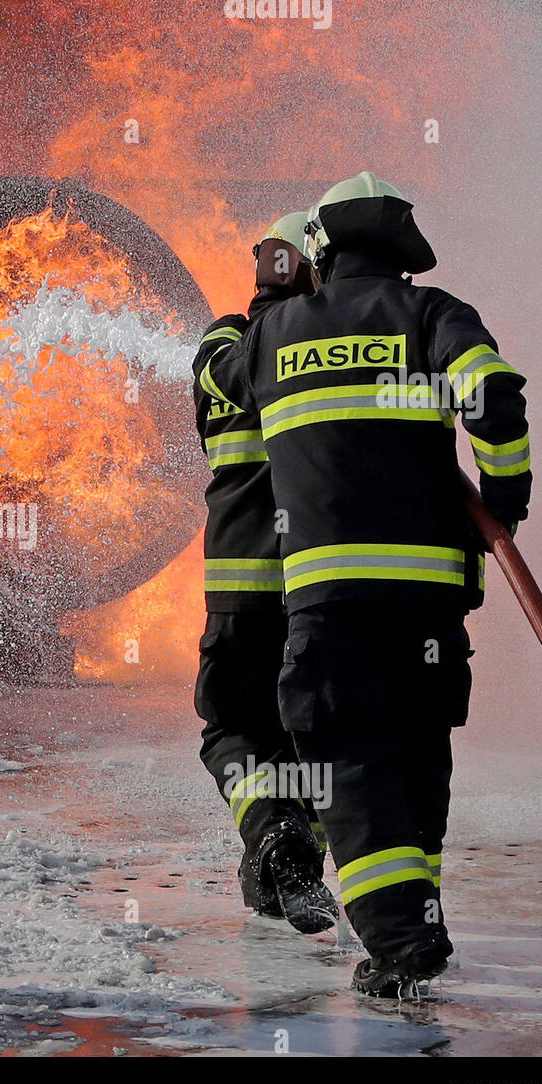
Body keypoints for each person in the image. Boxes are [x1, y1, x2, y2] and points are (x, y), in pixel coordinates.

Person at [197, 172, 531, 997]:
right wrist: (503, 500)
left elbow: (223, 381)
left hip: (330, 602)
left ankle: (400, 940)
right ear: (403, 254)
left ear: (323, 250)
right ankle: (417, 916)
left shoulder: (276, 339)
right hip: (431, 605)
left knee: (347, 765)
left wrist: (259, 304)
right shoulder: (432, 314)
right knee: (419, 757)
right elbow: (492, 395)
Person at [192, 212, 337, 935]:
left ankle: (274, 850)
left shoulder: (219, 346)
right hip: (315, 584)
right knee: (306, 729)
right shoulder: (314, 348)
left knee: (232, 729)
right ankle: (291, 848)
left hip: (235, 591)